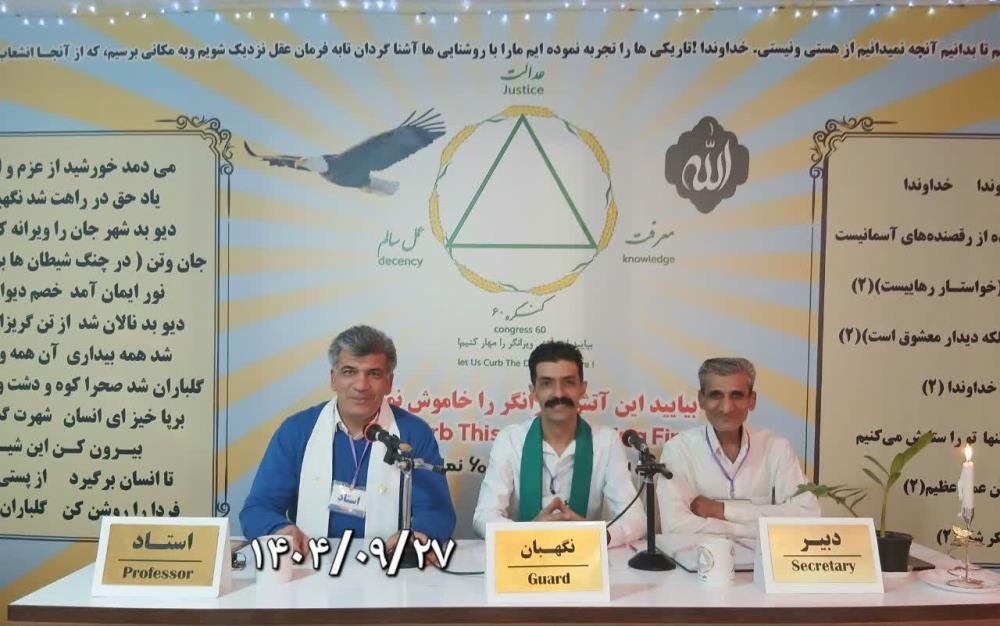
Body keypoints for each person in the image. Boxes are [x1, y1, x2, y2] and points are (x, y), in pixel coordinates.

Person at [239, 325, 455, 556]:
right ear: (333, 379)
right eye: (349, 372)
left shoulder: (413, 434)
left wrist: (418, 536)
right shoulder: (297, 431)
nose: (361, 385)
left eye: (374, 374)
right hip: (309, 565)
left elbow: (437, 512)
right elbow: (258, 509)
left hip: (388, 564)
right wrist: (279, 530)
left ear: (389, 382)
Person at [473, 341, 645, 546]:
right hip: (524, 554)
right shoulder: (510, 440)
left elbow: (636, 519)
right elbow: (484, 516)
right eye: (547, 383)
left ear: (582, 388)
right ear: (533, 391)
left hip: (585, 555)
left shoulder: (606, 442)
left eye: (569, 382)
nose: (559, 394)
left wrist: (593, 534)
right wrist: (529, 531)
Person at [656, 357, 820, 539]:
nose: (726, 408)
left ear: (752, 400)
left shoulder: (776, 447)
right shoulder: (679, 449)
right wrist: (757, 530)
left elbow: (808, 515)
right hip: (700, 557)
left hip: (762, 558)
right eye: (716, 395)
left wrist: (722, 510)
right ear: (701, 400)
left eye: (736, 395)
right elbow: (675, 527)